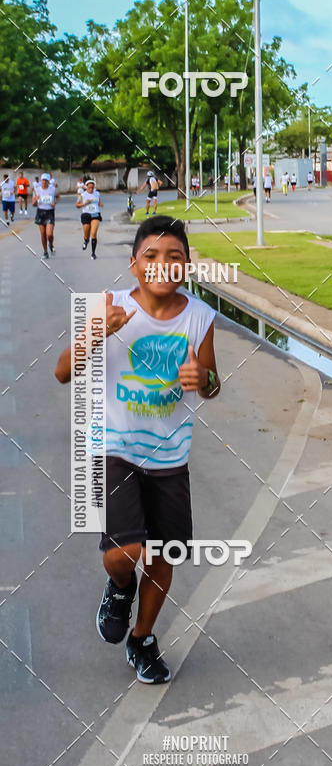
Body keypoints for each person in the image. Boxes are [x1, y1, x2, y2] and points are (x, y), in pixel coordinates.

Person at [54, 216, 220, 684]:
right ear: (133, 264)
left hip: (170, 456)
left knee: (163, 555)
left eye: (174, 256)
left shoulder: (200, 317)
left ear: (186, 267)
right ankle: (119, 585)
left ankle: (142, 638)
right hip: (112, 447)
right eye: (151, 255)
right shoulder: (107, 308)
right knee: (123, 552)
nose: (162, 264)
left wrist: (202, 380)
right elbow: (62, 372)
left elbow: (211, 382)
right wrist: (97, 332)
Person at [32, 172, 59, 258]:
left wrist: (54, 202)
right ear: (41, 181)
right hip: (40, 212)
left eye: (46, 180)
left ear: (48, 181)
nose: (44, 182)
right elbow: (33, 204)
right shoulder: (37, 190)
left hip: (50, 212)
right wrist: (36, 200)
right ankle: (45, 252)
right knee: (43, 234)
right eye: (43, 180)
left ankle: (51, 244)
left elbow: (57, 197)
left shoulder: (53, 189)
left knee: (49, 234)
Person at [76, 177, 104, 259]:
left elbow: (99, 202)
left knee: (94, 233)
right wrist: (84, 204)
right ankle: (85, 240)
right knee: (86, 233)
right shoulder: (82, 195)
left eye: (92, 187)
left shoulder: (97, 194)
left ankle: (93, 253)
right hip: (86, 215)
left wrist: (100, 204)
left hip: (95, 214)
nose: (91, 189)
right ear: (86, 187)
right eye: (89, 187)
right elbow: (77, 205)